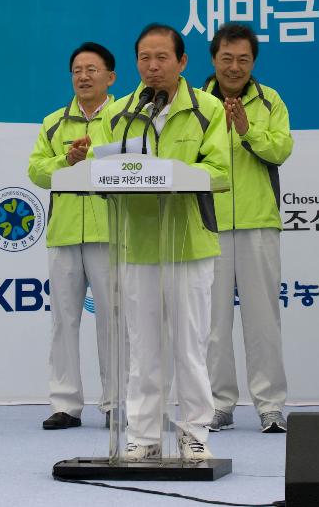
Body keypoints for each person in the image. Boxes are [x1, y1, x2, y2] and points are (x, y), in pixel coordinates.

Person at [101, 23, 229, 462]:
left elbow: (222, 171)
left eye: (161, 58)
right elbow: (102, 170)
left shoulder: (208, 108)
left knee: (190, 346)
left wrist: (171, 175)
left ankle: (195, 432)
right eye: (144, 59)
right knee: (143, 347)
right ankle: (144, 434)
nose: (152, 67)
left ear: (182, 62)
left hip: (188, 245)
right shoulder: (118, 112)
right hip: (137, 245)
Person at [201, 24, 293, 434]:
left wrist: (245, 129)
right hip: (208, 222)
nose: (234, 67)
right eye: (227, 58)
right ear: (213, 59)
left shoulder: (270, 100)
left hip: (258, 222)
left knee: (263, 321)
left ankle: (270, 405)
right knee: (213, 323)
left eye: (243, 59)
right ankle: (219, 403)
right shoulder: (196, 102)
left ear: (253, 62)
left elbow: (281, 149)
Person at [27, 42, 120, 430]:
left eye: (92, 69)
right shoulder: (53, 122)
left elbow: (135, 164)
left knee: (113, 320)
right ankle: (65, 403)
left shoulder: (124, 119)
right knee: (64, 320)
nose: (83, 76)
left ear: (111, 77)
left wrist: (94, 160)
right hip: (64, 231)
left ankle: (118, 402)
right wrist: (65, 162)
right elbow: (35, 170)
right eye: (78, 70)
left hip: (110, 229)